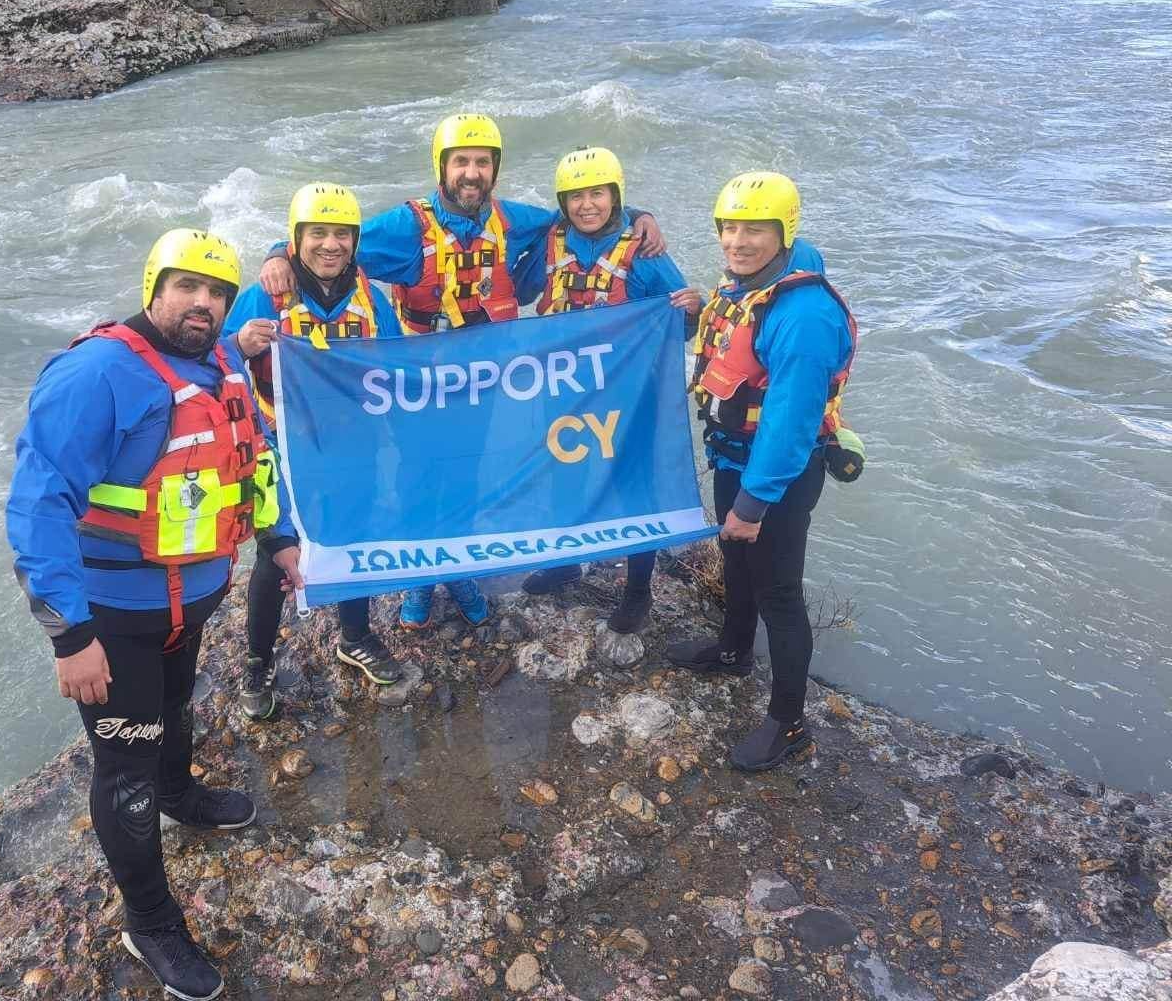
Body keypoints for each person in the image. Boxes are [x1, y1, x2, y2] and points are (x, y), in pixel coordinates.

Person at [6, 228, 300, 1001]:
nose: (202, 303)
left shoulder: (222, 363)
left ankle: (182, 794)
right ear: (152, 286)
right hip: (116, 618)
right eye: (187, 286)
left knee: (176, 711)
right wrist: (71, 638)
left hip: (188, 603)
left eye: (218, 292)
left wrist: (280, 540)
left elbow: (254, 460)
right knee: (125, 766)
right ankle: (149, 921)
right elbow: (39, 506)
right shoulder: (97, 374)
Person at [258, 114, 669, 630]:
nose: (471, 173)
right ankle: (420, 582)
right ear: (442, 167)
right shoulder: (408, 227)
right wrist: (278, 251)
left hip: (486, 383)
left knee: (469, 476)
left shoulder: (514, 220)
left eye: (481, 162)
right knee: (416, 478)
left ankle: (459, 569)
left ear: (494, 170)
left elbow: (580, 215)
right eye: (461, 162)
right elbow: (332, 242)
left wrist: (639, 215)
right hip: (420, 388)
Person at [663, 173, 857, 772]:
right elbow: (732, 350)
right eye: (729, 227)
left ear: (784, 232)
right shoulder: (749, 283)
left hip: (777, 477)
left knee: (779, 592)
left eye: (754, 229)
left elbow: (791, 425)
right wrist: (697, 312)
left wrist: (753, 505)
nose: (738, 241)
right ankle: (732, 651)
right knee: (735, 563)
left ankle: (789, 723)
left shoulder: (803, 316)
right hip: (732, 454)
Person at [222, 182, 408, 720]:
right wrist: (239, 346)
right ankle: (257, 662)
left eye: (341, 234)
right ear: (296, 239)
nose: (331, 245)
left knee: (352, 536)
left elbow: (402, 366)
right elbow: (216, 363)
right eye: (317, 234)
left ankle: (354, 635)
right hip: (284, 451)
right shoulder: (265, 295)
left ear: (355, 241)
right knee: (274, 555)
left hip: (355, 449)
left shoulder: (372, 298)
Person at [516, 147, 702, 634]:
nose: (587, 205)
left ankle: (638, 588)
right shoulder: (550, 242)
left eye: (597, 193)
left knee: (632, 486)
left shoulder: (647, 254)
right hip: (561, 390)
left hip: (627, 394)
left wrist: (691, 309)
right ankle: (566, 561)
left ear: (615, 195)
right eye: (575, 196)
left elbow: (681, 327)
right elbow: (514, 291)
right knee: (561, 477)